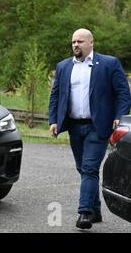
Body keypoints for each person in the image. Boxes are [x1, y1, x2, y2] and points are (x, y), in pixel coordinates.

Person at [49, 28, 131, 230]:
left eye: (80, 41)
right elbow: (56, 95)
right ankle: (95, 210)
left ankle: (84, 213)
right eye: (73, 42)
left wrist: (118, 117)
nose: (76, 45)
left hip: (98, 126)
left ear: (91, 43)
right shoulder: (63, 67)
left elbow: (123, 92)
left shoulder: (109, 64)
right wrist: (53, 120)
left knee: (89, 169)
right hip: (74, 126)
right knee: (84, 169)